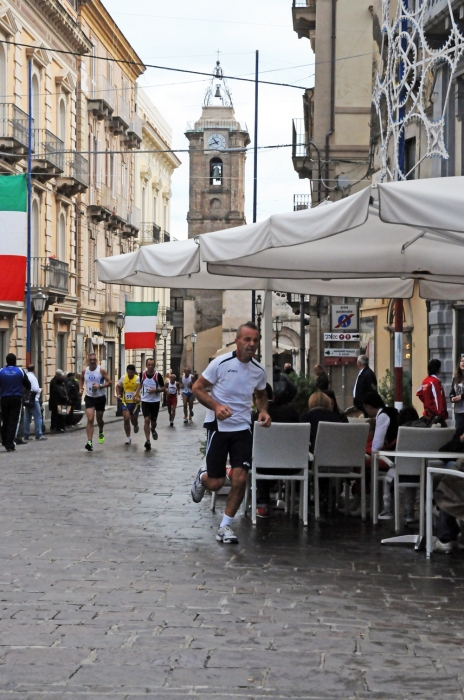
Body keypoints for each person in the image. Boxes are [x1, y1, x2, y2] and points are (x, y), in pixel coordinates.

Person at [190, 321, 271, 545]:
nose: (251, 344)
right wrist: (216, 406)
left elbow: (261, 395)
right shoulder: (221, 363)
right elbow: (197, 387)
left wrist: (263, 411)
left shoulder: (259, 370)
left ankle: (225, 526)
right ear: (237, 341)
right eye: (247, 339)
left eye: (255, 340)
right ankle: (201, 476)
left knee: (240, 478)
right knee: (215, 484)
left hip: (242, 428)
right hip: (219, 427)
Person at [254, 383, 300, 518]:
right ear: (272, 396)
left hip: (263, 467)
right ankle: (295, 501)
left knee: (259, 455)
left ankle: (263, 504)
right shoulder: (291, 413)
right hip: (292, 467)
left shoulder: (256, 417)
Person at [362, 391, 399, 520]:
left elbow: (376, 445)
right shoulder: (392, 412)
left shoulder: (382, 416)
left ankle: (365, 501)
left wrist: (368, 454)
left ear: (369, 406)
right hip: (397, 454)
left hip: (389, 457)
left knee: (360, 463)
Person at [79, 353, 112, 451]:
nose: (92, 361)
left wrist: (100, 386)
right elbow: (81, 379)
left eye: (94, 359)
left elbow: (110, 382)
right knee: (90, 419)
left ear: (96, 360)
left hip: (100, 398)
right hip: (89, 397)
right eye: (91, 360)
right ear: (88, 361)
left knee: (99, 419)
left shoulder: (101, 370)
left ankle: (101, 430)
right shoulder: (85, 371)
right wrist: (80, 389)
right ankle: (89, 442)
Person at [0, 354, 31, 452]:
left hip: (4, 398)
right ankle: (10, 443)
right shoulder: (20, 371)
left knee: (5, 420)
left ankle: (4, 440)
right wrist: (26, 393)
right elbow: (28, 384)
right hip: (16, 398)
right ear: (15, 361)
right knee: (14, 421)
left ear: (6, 361)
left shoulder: (1, 371)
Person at [135, 357, 164, 451]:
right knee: (146, 419)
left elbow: (163, 388)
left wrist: (156, 390)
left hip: (155, 401)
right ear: (146, 365)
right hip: (145, 401)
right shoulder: (142, 374)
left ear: (154, 365)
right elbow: (140, 385)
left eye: (152, 365)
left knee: (153, 422)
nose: (151, 366)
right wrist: (136, 394)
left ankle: (153, 429)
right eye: (149, 365)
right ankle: (147, 440)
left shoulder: (158, 375)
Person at [417, 358, 448, 424]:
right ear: (438, 369)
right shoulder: (435, 381)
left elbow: (419, 393)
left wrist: (427, 402)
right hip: (435, 417)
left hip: (427, 414)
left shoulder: (425, 380)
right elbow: (437, 399)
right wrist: (439, 414)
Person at [115, 364, 140, 445]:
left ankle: (135, 425)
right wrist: (118, 394)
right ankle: (128, 437)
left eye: (131, 373)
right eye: (129, 373)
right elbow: (118, 386)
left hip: (135, 403)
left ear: (134, 372)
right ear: (127, 371)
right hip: (125, 402)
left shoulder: (137, 379)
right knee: (126, 418)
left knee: (134, 420)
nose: (130, 374)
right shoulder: (123, 378)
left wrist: (138, 396)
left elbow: (141, 387)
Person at [24, 365, 46, 441]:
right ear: (34, 369)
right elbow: (36, 389)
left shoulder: (25, 376)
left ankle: (26, 434)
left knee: (27, 418)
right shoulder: (33, 378)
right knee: (38, 417)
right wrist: (40, 389)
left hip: (27, 399)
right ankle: (39, 434)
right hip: (34, 399)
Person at [450, 356, 464, 433]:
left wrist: (461, 397)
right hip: (458, 411)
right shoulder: (455, 378)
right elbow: (452, 391)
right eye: (462, 361)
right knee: (459, 433)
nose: (463, 363)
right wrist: (452, 397)